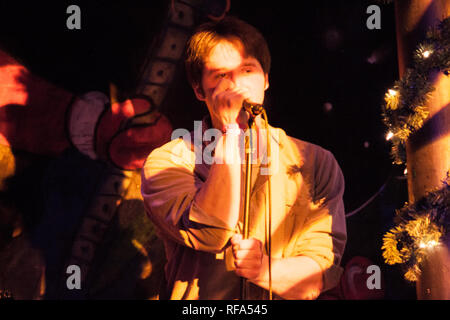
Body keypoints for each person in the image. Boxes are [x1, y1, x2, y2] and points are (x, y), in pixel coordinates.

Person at [141, 16, 346, 300]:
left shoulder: (316, 162)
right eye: (221, 75)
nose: (236, 85)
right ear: (199, 89)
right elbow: (210, 233)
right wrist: (230, 132)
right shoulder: (168, 161)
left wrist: (264, 270)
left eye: (247, 70)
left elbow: (319, 272)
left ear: (265, 80)